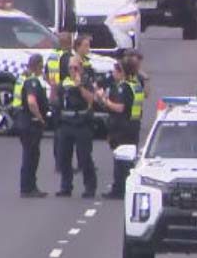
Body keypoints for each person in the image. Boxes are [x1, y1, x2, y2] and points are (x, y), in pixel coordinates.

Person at [55, 51, 103, 198]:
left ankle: (90, 188)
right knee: (63, 157)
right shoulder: (64, 82)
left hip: (81, 123)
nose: (72, 70)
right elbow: (57, 101)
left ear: (81, 68)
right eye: (70, 68)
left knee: (84, 157)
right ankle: (65, 186)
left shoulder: (86, 81)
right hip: (66, 123)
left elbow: (92, 100)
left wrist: (80, 85)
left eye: (75, 67)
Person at [100, 50, 146, 199]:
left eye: (115, 70)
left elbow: (120, 108)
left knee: (121, 161)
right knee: (128, 160)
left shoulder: (124, 87)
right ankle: (126, 187)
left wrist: (105, 100)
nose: (113, 73)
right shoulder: (136, 85)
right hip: (134, 125)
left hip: (123, 127)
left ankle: (119, 189)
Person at [13, 54, 50, 198]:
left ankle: (26, 186)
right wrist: (40, 118)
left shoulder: (22, 77)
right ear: (37, 66)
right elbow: (32, 102)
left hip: (21, 119)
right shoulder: (32, 81)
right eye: (41, 67)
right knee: (32, 156)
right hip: (30, 121)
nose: (42, 70)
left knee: (28, 154)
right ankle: (29, 187)